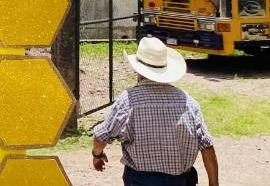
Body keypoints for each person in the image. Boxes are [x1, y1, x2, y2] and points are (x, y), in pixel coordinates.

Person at [92, 37, 219, 186]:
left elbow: (101, 137)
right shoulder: (188, 102)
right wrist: (213, 183)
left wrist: (97, 154)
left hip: (141, 180)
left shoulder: (128, 101)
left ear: (137, 71)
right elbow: (207, 146)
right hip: (181, 180)